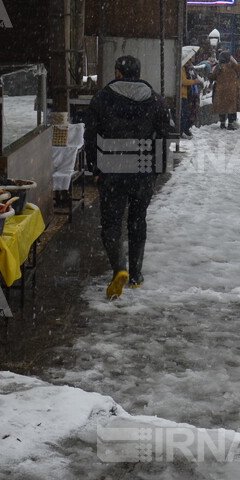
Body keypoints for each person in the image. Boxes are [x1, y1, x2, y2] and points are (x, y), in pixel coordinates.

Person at [84, 55, 171, 298]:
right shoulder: (155, 99)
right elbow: (165, 135)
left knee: (111, 223)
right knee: (137, 220)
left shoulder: (102, 97)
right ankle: (135, 274)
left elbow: (90, 136)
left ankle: (118, 269)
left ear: (118, 73)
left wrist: (95, 168)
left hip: (112, 170)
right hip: (143, 171)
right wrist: (157, 169)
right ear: (138, 73)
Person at [211, 50, 240, 129]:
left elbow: (212, 77)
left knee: (222, 107)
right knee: (231, 107)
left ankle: (222, 123)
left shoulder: (218, 67)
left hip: (220, 91)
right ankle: (231, 123)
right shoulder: (232, 66)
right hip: (231, 91)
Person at [179, 48, 202, 138]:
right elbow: (184, 81)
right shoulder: (182, 69)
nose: (189, 61)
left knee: (190, 112)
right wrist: (194, 82)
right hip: (184, 94)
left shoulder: (189, 69)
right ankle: (182, 130)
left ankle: (184, 129)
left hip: (190, 94)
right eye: (188, 60)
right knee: (185, 114)